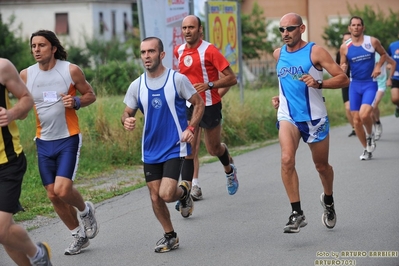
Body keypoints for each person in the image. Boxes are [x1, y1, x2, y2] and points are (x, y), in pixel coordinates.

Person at [121, 37, 204, 252]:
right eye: (143, 52)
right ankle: (170, 235)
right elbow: (127, 112)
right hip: (149, 149)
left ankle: (182, 193)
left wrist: (191, 128)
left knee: (166, 194)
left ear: (161, 54)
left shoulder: (177, 79)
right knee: (154, 196)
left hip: (174, 145)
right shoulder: (137, 85)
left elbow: (198, 103)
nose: (146, 56)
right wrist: (126, 120)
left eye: (151, 51)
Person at [20, 30, 99, 256]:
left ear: (53, 48)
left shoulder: (70, 70)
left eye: (41, 45)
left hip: (68, 138)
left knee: (63, 190)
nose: (36, 50)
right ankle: (78, 235)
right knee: (53, 194)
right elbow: (23, 104)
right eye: (33, 46)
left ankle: (85, 211)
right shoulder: (26, 74)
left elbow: (90, 95)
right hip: (43, 141)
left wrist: (75, 101)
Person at [271, 13, 349, 233]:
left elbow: (343, 78)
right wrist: (280, 98)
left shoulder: (316, 51)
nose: (285, 33)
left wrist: (319, 83)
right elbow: (284, 81)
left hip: (314, 117)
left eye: (290, 29)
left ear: (302, 28)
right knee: (287, 159)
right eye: (282, 30)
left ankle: (329, 200)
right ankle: (297, 213)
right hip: (288, 116)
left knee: (321, 167)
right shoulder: (278, 54)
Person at [174, 15, 239, 199]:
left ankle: (229, 170)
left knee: (213, 149)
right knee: (189, 149)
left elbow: (231, 78)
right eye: (184, 28)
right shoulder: (179, 51)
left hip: (210, 105)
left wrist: (209, 85)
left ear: (200, 30)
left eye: (191, 27)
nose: (187, 31)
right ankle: (188, 192)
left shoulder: (210, 50)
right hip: (191, 105)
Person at [0, 58, 52, 265]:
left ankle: (38, 253)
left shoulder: (2, 67)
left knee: (1, 230)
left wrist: (11, 113)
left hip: (7, 162)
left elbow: (26, 99)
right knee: (6, 234)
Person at [340, 16, 388, 160]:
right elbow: (343, 64)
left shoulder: (372, 41)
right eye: (353, 25)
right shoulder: (344, 47)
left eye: (358, 25)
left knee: (365, 114)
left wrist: (378, 66)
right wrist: (342, 69)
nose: (356, 27)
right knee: (356, 121)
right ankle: (366, 149)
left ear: (363, 27)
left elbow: (384, 55)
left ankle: (369, 135)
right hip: (354, 85)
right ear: (349, 28)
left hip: (369, 84)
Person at [371, 53, 396, 140]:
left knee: (373, 105)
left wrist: (390, 78)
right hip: (369, 84)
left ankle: (377, 124)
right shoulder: (364, 54)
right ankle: (376, 123)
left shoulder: (381, 54)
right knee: (370, 108)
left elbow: (393, 63)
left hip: (380, 83)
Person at [336, 32, 355, 137]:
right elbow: (337, 68)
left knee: (360, 108)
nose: (347, 41)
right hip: (346, 81)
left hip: (357, 81)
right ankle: (354, 128)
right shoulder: (340, 52)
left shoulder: (357, 50)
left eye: (349, 39)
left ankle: (365, 125)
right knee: (348, 107)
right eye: (345, 40)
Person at [387, 34, 399, 117]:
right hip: (395, 76)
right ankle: (398, 106)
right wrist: (388, 64)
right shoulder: (393, 45)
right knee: (395, 99)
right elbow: (387, 58)